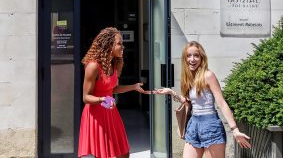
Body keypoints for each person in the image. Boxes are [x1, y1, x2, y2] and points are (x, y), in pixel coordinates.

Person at [154, 41, 251, 158]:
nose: (192, 59)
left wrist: (234, 129)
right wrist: (170, 92)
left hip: (211, 126)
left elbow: (222, 103)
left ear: (202, 58)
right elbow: (188, 101)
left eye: (196, 55)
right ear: (184, 59)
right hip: (193, 124)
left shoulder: (208, 75)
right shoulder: (189, 77)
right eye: (188, 56)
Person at [78, 27, 149, 158]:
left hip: (110, 112)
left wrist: (133, 87)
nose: (123, 47)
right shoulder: (93, 66)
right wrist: (102, 99)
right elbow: (86, 97)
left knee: (124, 152)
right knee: (105, 154)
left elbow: (112, 89)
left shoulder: (113, 64)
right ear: (109, 45)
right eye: (119, 44)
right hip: (96, 114)